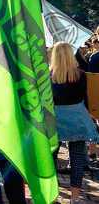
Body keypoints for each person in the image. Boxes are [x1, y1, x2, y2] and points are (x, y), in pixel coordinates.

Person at [50, 42, 99, 201]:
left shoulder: (48, 76)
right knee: (77, 160)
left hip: (55, 120)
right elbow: (86, 99)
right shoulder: (81, 75)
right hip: (77, 118)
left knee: (51, 158)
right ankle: (75, 198)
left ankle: (52, 194)